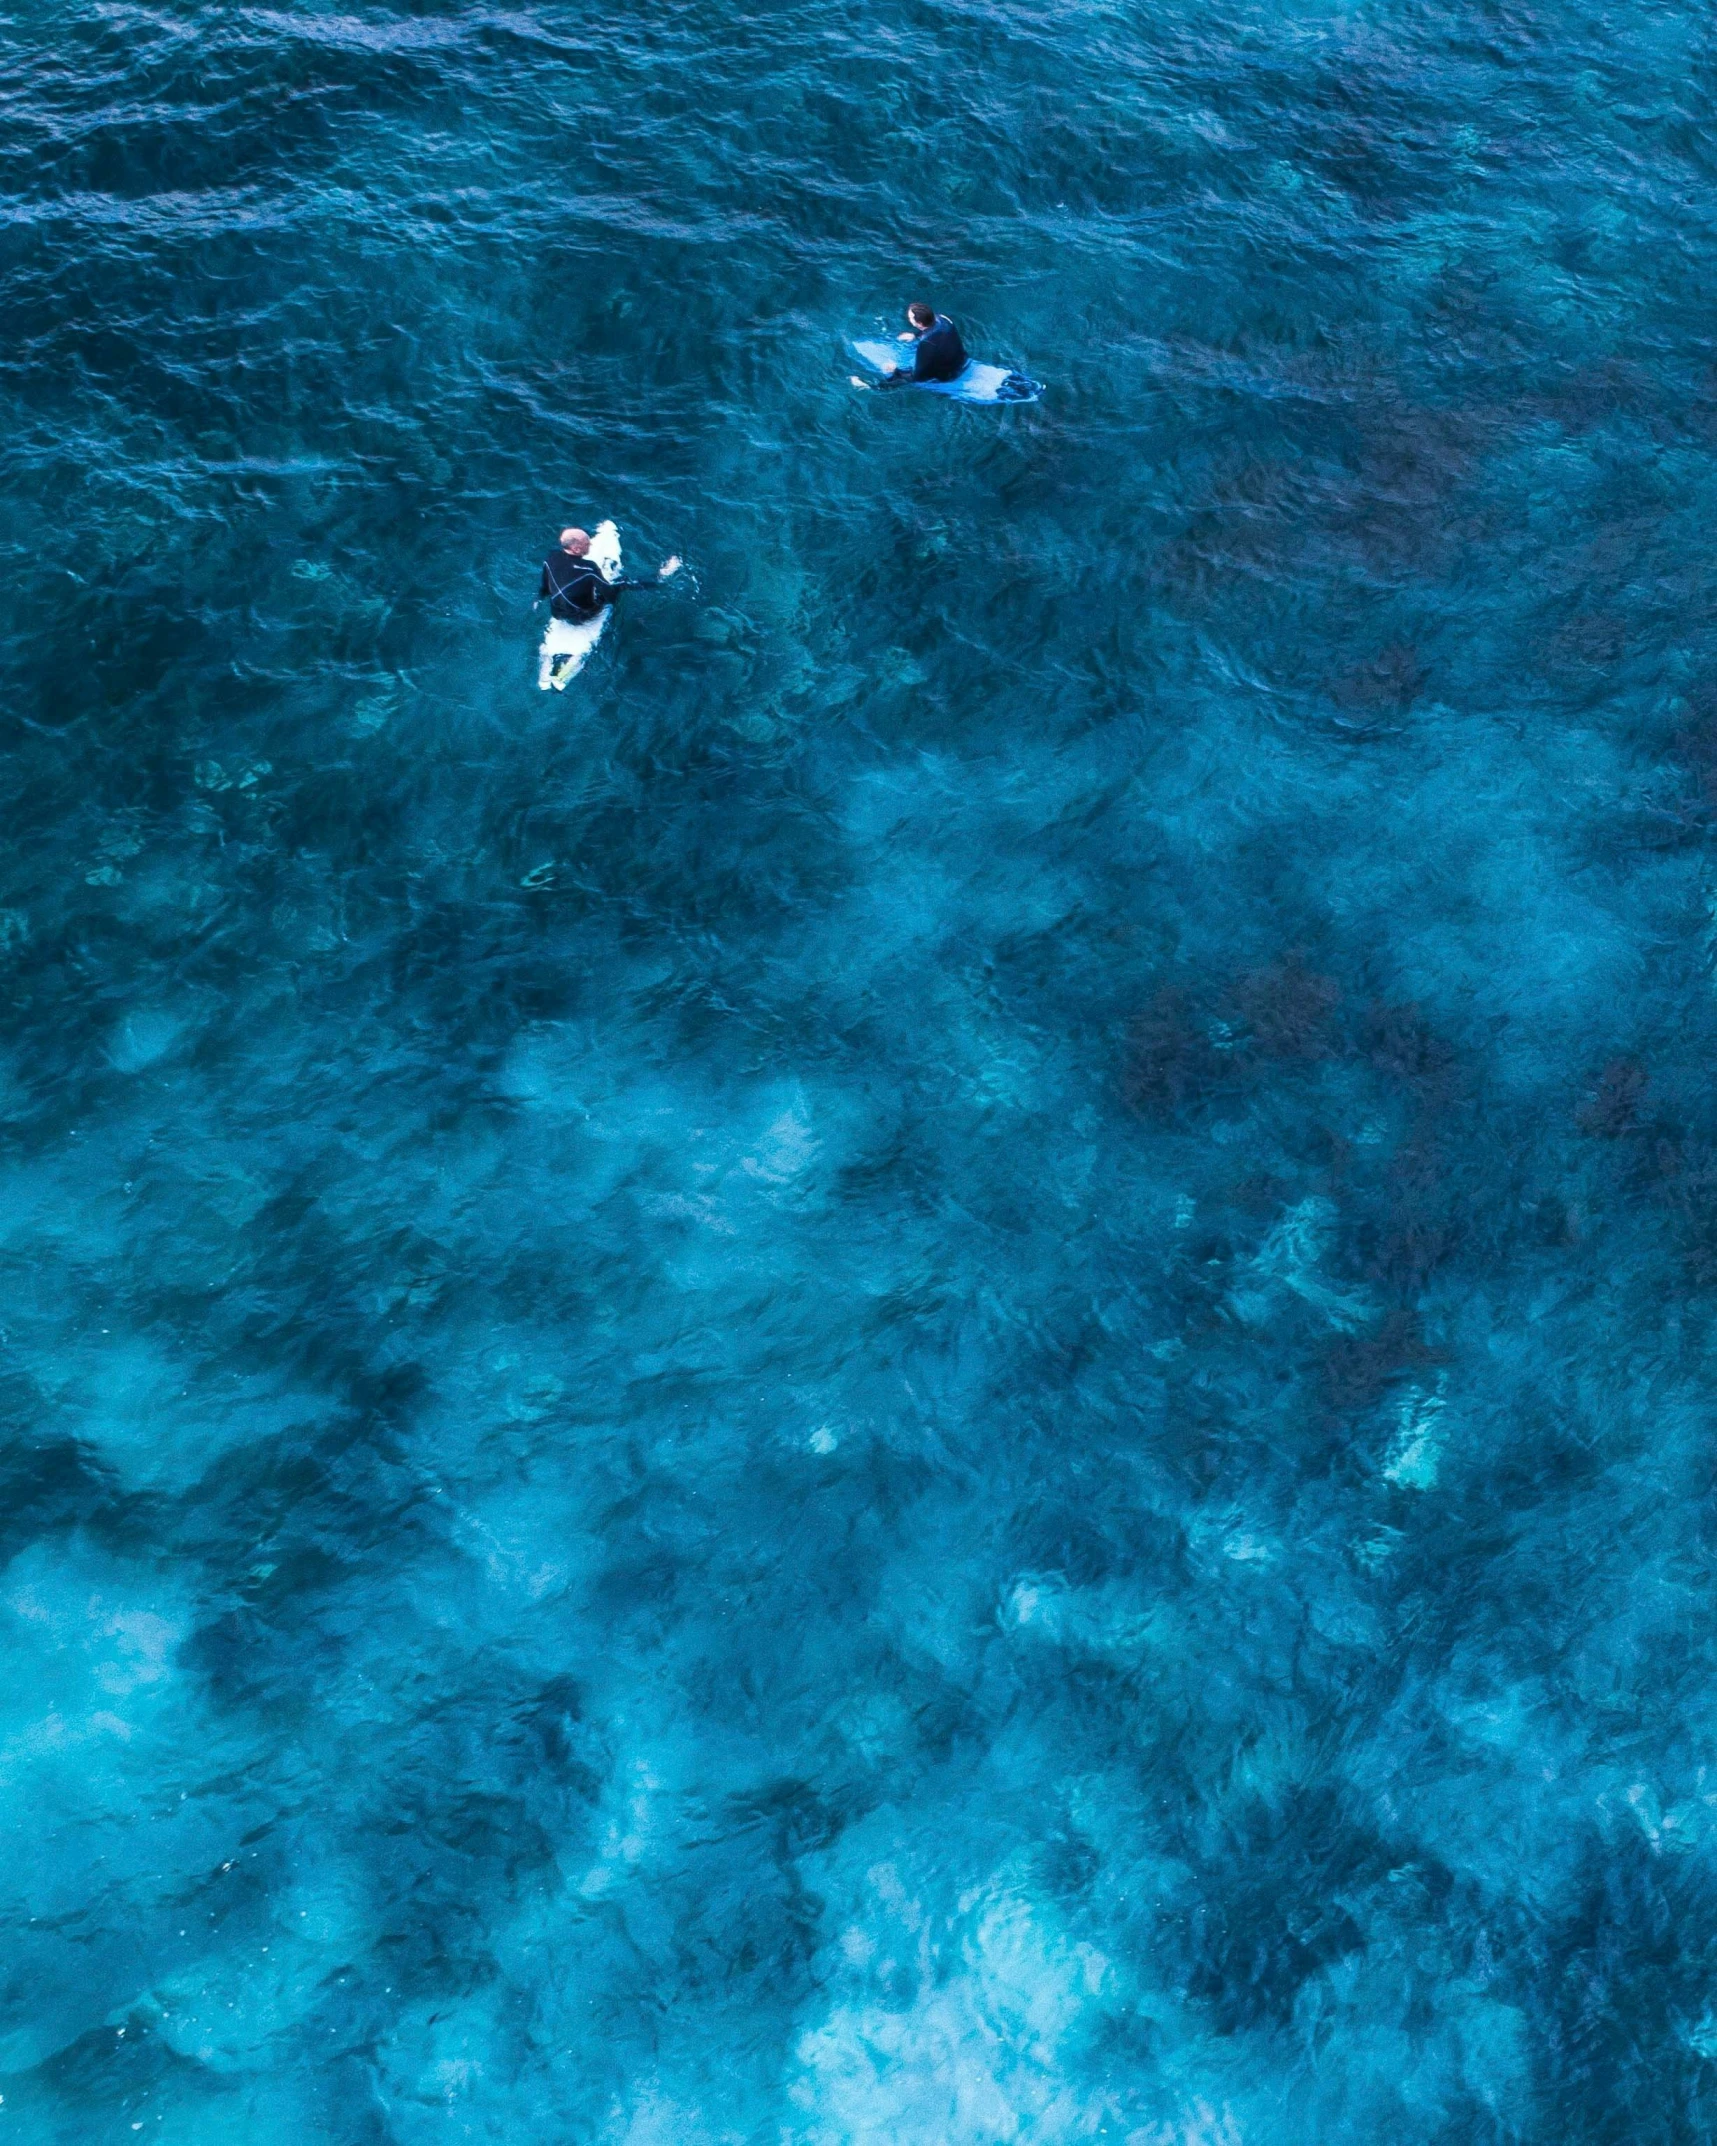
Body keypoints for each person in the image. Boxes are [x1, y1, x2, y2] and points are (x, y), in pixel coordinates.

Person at [536, 527, 680, 622]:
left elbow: (545, 587)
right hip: (584, 615)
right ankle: (661, 577)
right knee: (622, 582)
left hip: (557, 613)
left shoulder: (550, 559)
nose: (590, 545)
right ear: (576, 549)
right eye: (587, 544)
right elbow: (609, 594)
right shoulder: (588, 568)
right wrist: (614, 603)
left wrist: (539, 598)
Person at [876, 302, 967, 388]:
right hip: (962, 359)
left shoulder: (926, 344)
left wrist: (895, 371)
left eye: (910, 318)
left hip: (948, 375)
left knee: (892, 377)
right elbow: (933, 330)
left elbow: (918, 376)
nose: (909, 319)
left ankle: (872, 387)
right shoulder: (943, 318)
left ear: (919, 323)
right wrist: (915, 335)